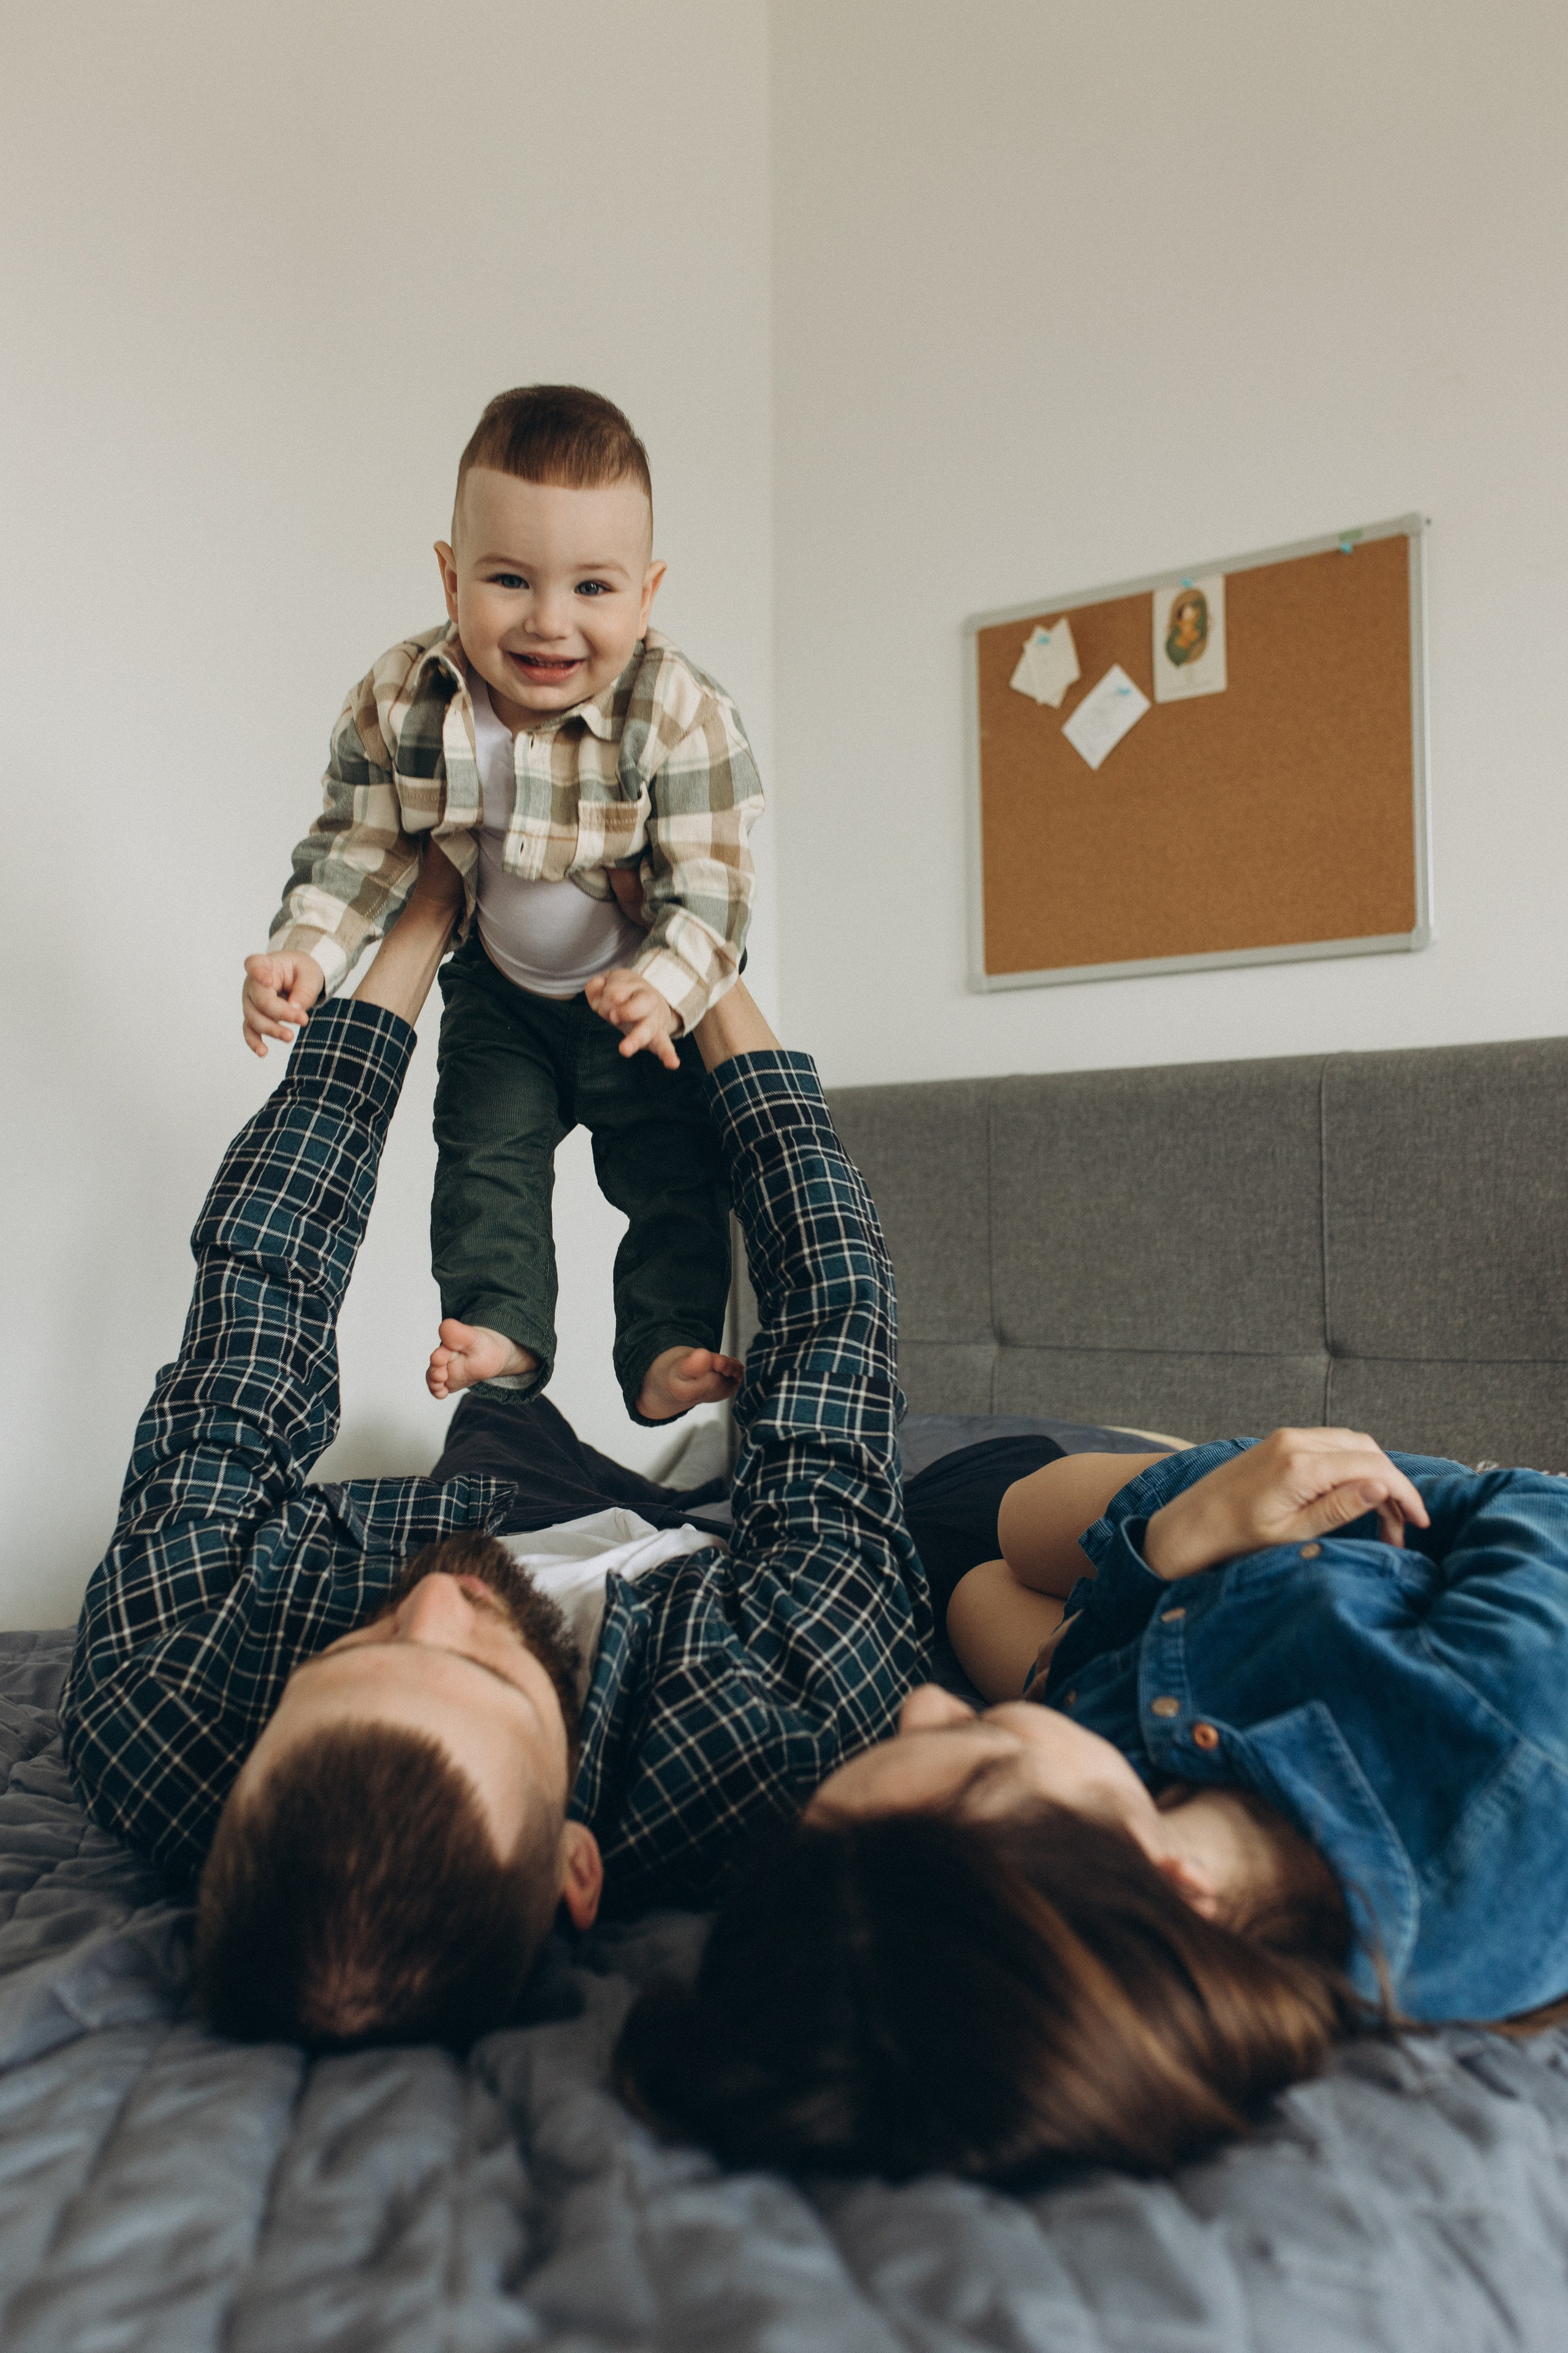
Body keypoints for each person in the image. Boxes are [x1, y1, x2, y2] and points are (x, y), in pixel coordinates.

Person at [61, 844, 930, 2052]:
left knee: (494, 1418)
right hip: (689, 1558)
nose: (433, 1603)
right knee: (922, 1481)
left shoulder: (159, 1689)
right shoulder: (776, 1723)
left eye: (350, 1651)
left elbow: (262, 1287)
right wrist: (704, 964)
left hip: (483, 1481)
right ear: (577, 1863)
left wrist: (421, 919)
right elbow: (833, 1309)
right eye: (479, 1672)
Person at [618, 1426, 1568, 2185]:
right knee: (994, 1561)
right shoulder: (1506, 1748)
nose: (923, 1703)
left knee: (996, 1560)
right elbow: (1524, 1502)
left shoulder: (1122, 1870)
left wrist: (1161, 1556)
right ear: (1166, 1878)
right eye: (979, 1752)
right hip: (1296, 1595)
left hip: (1156, 1660)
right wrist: (1259, 1505)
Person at [239, 383, 763, 1427]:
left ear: (647, 594)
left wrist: (664, 987)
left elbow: (714, 884)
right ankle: (502, 1328)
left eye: (593, 587)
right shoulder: (404, 695)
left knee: (673, 1173)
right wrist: (307, 952)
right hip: (500, 994)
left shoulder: (677, 709)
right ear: (452, 574)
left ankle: (666, 1343)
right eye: (511, 579)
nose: (549, 621)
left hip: (634, 997)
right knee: (484, 1159)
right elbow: (358, 845)